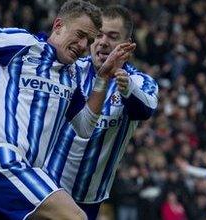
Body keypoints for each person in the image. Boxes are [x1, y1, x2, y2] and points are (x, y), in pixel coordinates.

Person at [0, 0, 135, 219]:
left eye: (89, 40)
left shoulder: (71, 75)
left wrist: (102, 78)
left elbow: (84, 126)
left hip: (22, 178)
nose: (83, 45)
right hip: (4, 162)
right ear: (58, 25)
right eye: (80, 34)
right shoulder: (23, 44)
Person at [42, 5, 158, 220]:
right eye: (99, 34)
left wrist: (126, 87)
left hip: (90, 199)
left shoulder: (139, 82)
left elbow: (145, 110)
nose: (103, 42)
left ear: (128, 45)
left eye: (113, 37)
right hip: (49, 186)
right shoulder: (71, 69)